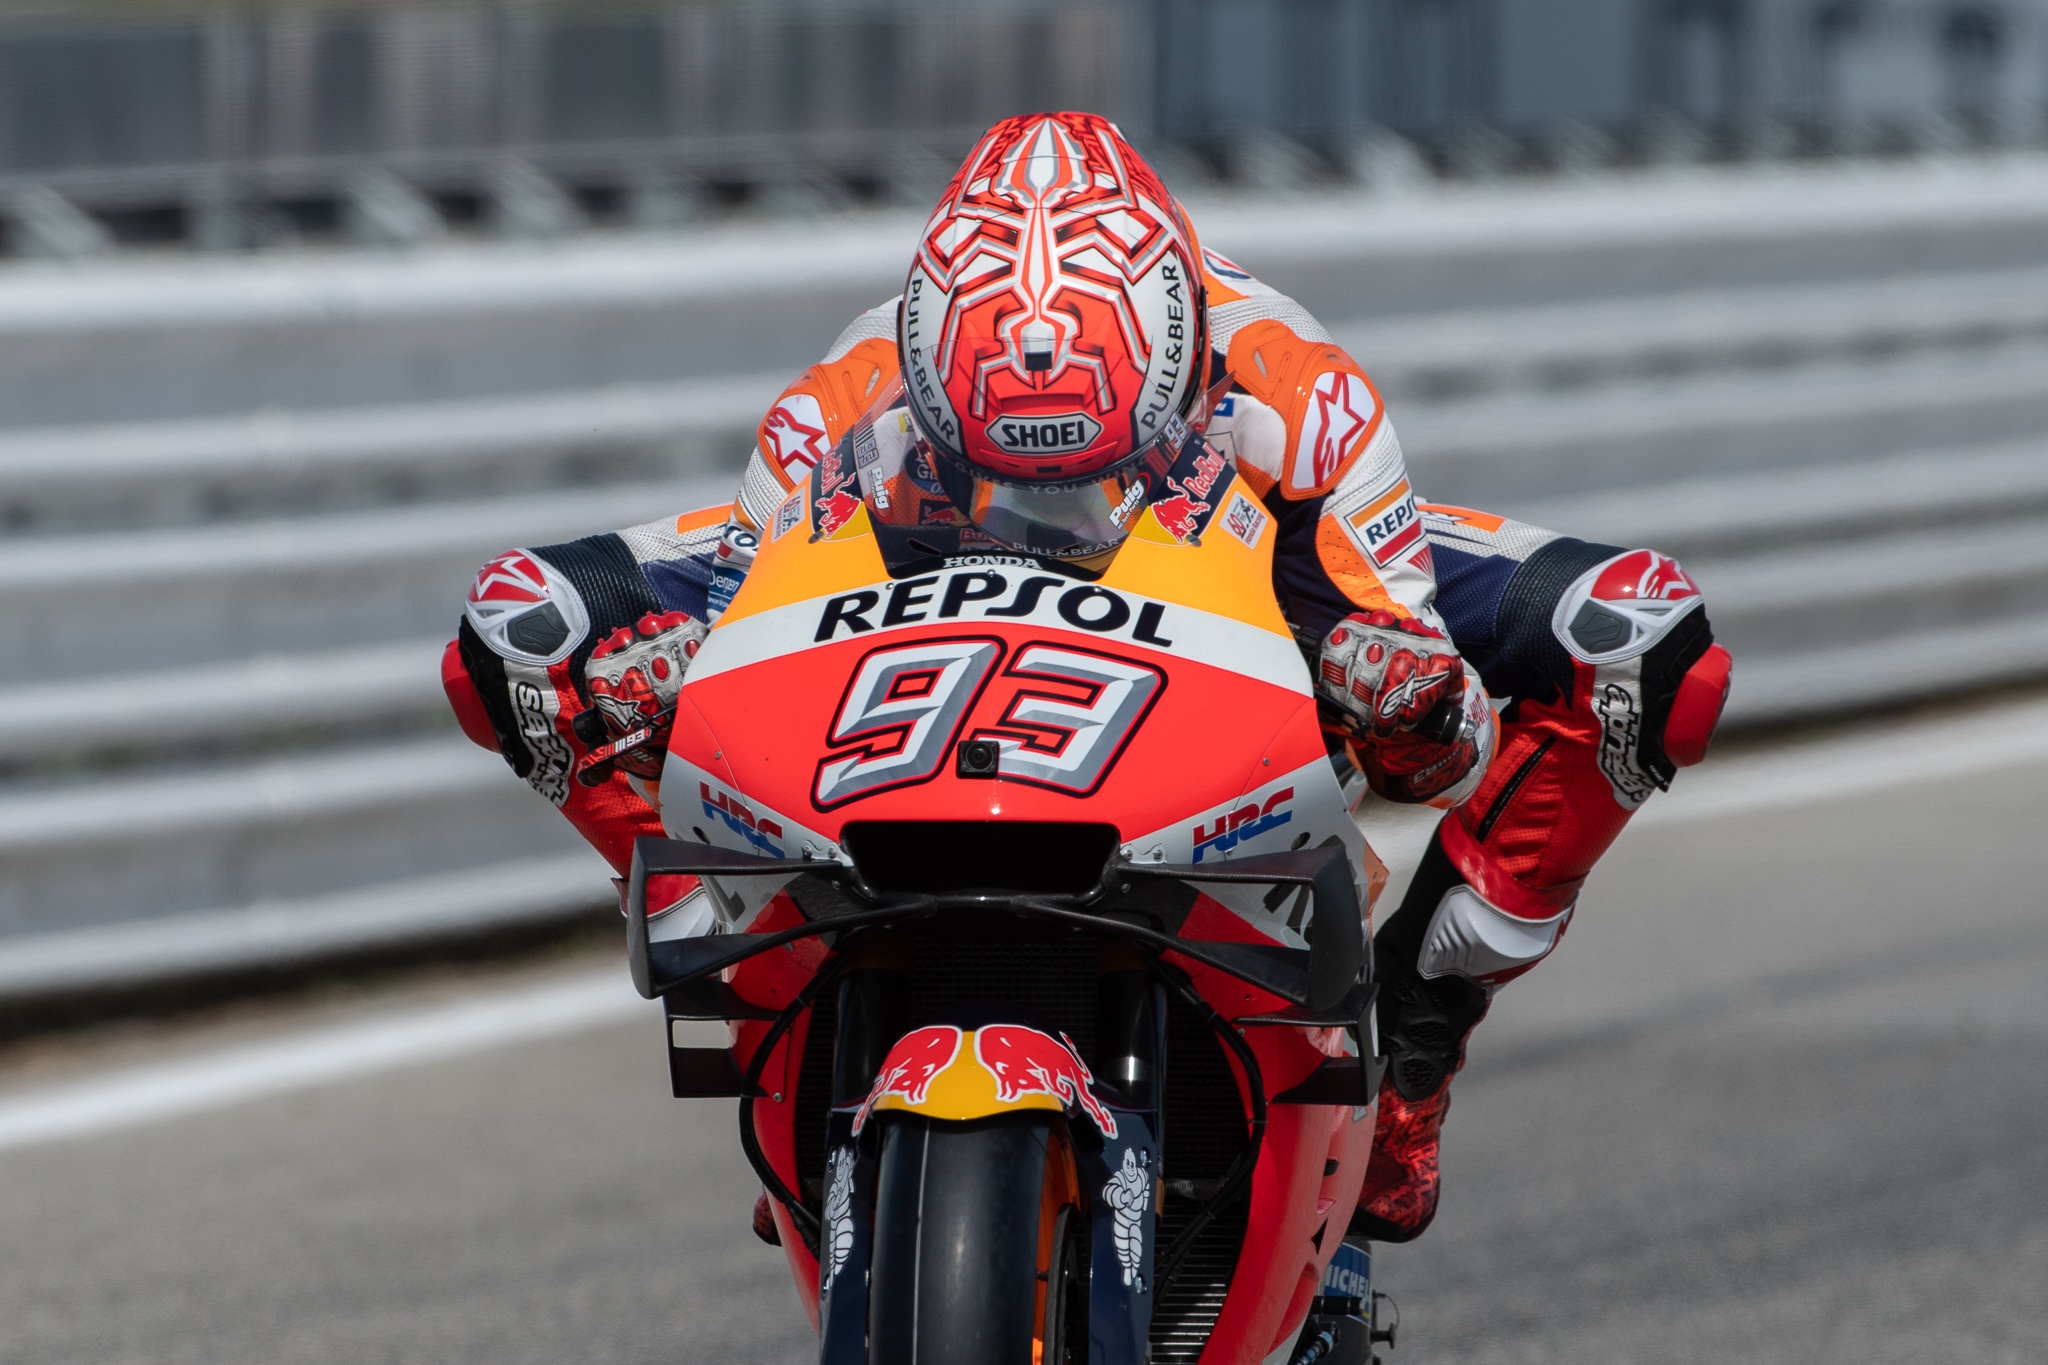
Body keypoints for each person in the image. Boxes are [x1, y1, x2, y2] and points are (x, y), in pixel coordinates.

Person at [442, 112, 1731, 1245]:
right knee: (516, 633)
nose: (1044, 492)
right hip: (919, 588)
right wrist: (677, 676)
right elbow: (745, 623)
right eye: (1008, 462)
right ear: (932, 377)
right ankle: (770, 992)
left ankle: (1413, 1050)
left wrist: (1391, 683)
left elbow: (1428, 750)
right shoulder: (843, 400)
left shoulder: (1299, 392)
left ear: (1177, 369)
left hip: (1256, 566)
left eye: (1079, 465)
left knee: (1642, 644)